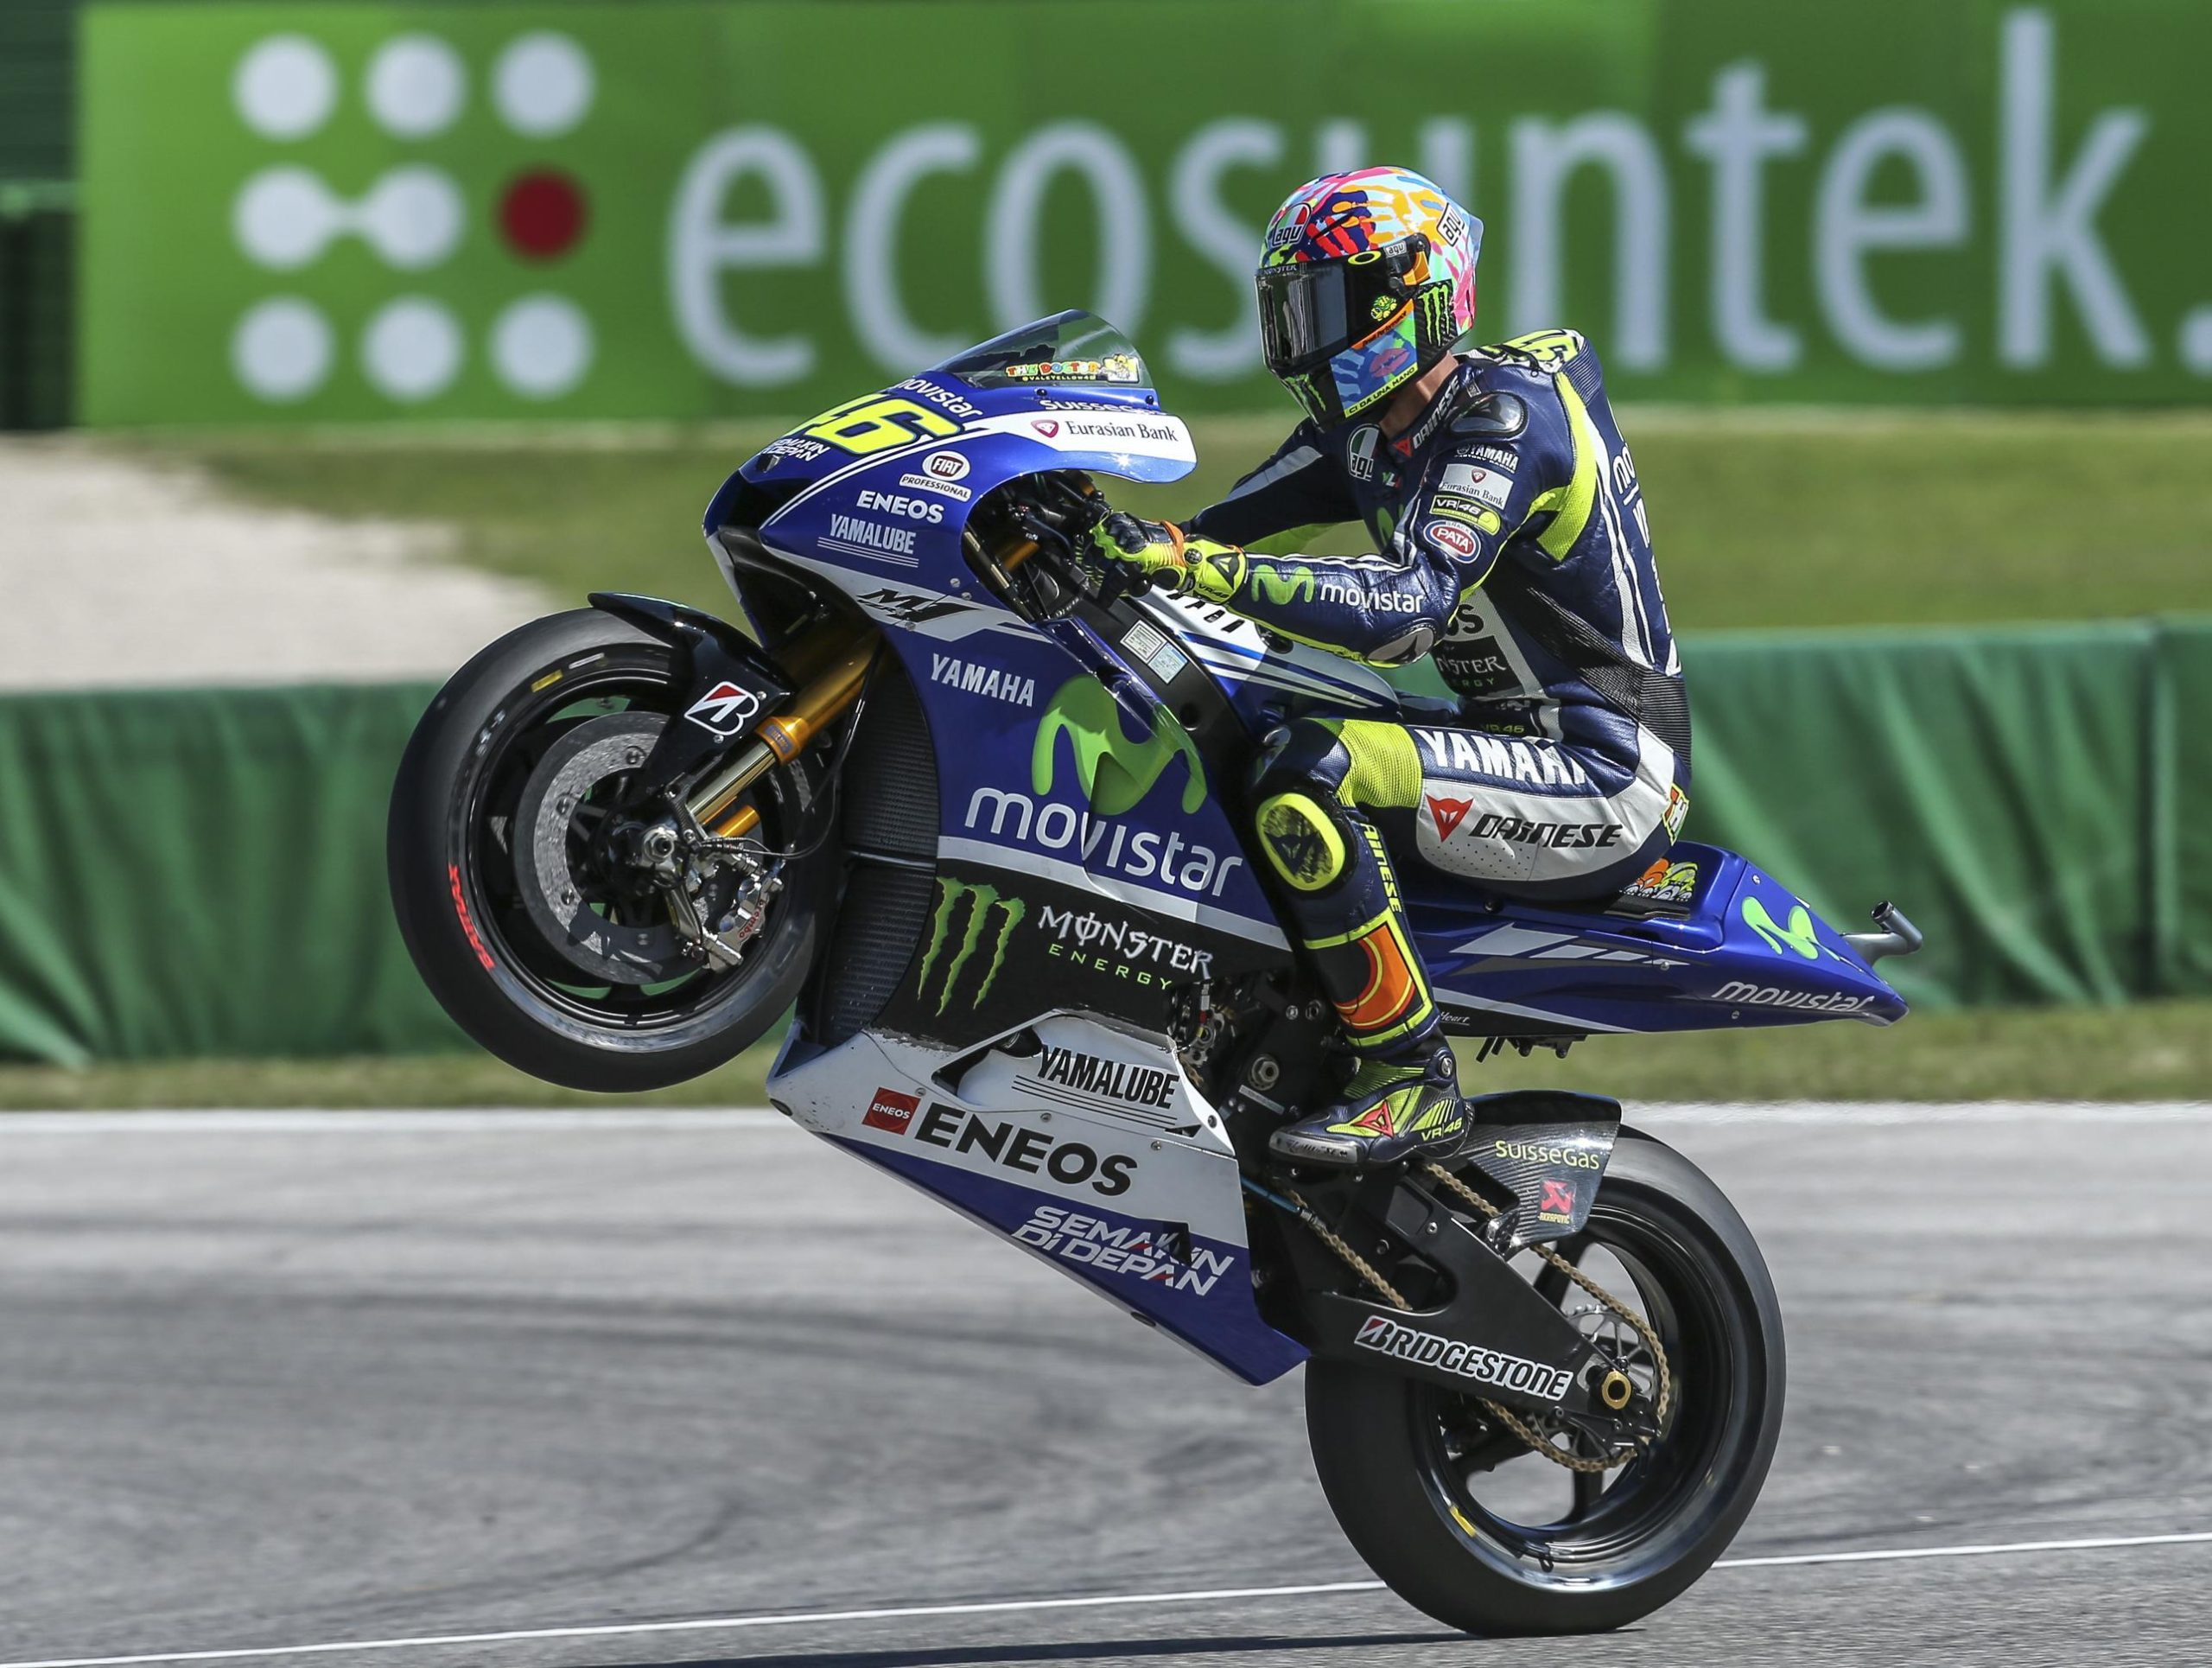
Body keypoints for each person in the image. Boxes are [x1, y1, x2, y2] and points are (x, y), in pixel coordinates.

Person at [1077, 166, 1691, 1172]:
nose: (1302, 338)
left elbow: (1404, 612)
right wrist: (1081, 533)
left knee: (1308, 772)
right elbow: (1211, 530)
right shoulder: (1370, 427)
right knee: (1242, 714)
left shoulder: (1501, 423)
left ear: (1408, 297)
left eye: (1324, 306)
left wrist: (1191, 562)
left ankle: (1412, 1074)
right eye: (1290, 310)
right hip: (1505, 735)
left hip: (1606, 770)